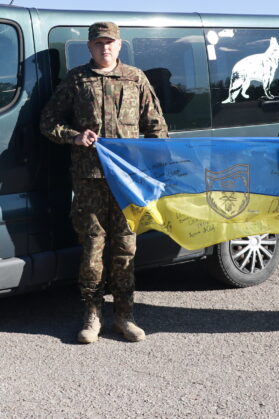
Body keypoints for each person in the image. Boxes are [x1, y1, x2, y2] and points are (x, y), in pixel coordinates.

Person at [40, 21, 168, 344]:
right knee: (93, 249)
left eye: (110, 42)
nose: (104, 47)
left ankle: (124, 316)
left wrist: (155, 169)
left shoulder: (135, 79)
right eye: (98, 43)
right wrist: (74, 136)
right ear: (89, 47)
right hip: (90, 180)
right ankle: (92, 315)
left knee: (126, 248)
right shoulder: (77, 80)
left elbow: (156, 127)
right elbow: (48, 122)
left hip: (127, 180)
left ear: (119, 45)